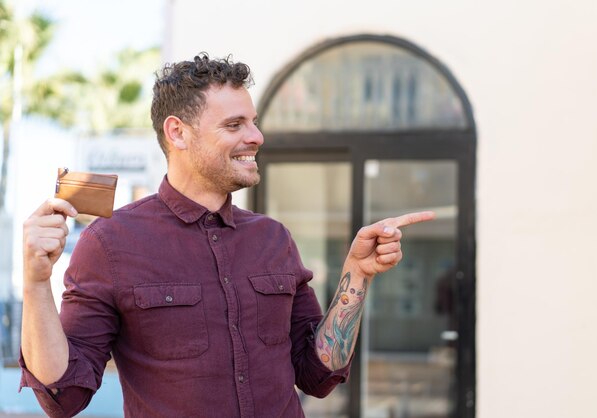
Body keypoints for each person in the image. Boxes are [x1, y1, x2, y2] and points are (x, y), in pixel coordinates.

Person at [20, 53, 435, 418]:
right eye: (235, 124)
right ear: (177, 132)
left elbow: (318, 374)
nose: (256, 137)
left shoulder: (273, 239)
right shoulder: (110, 243)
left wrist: (357, 274)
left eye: (253, 123)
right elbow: (63, 396)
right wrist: (37, 283)